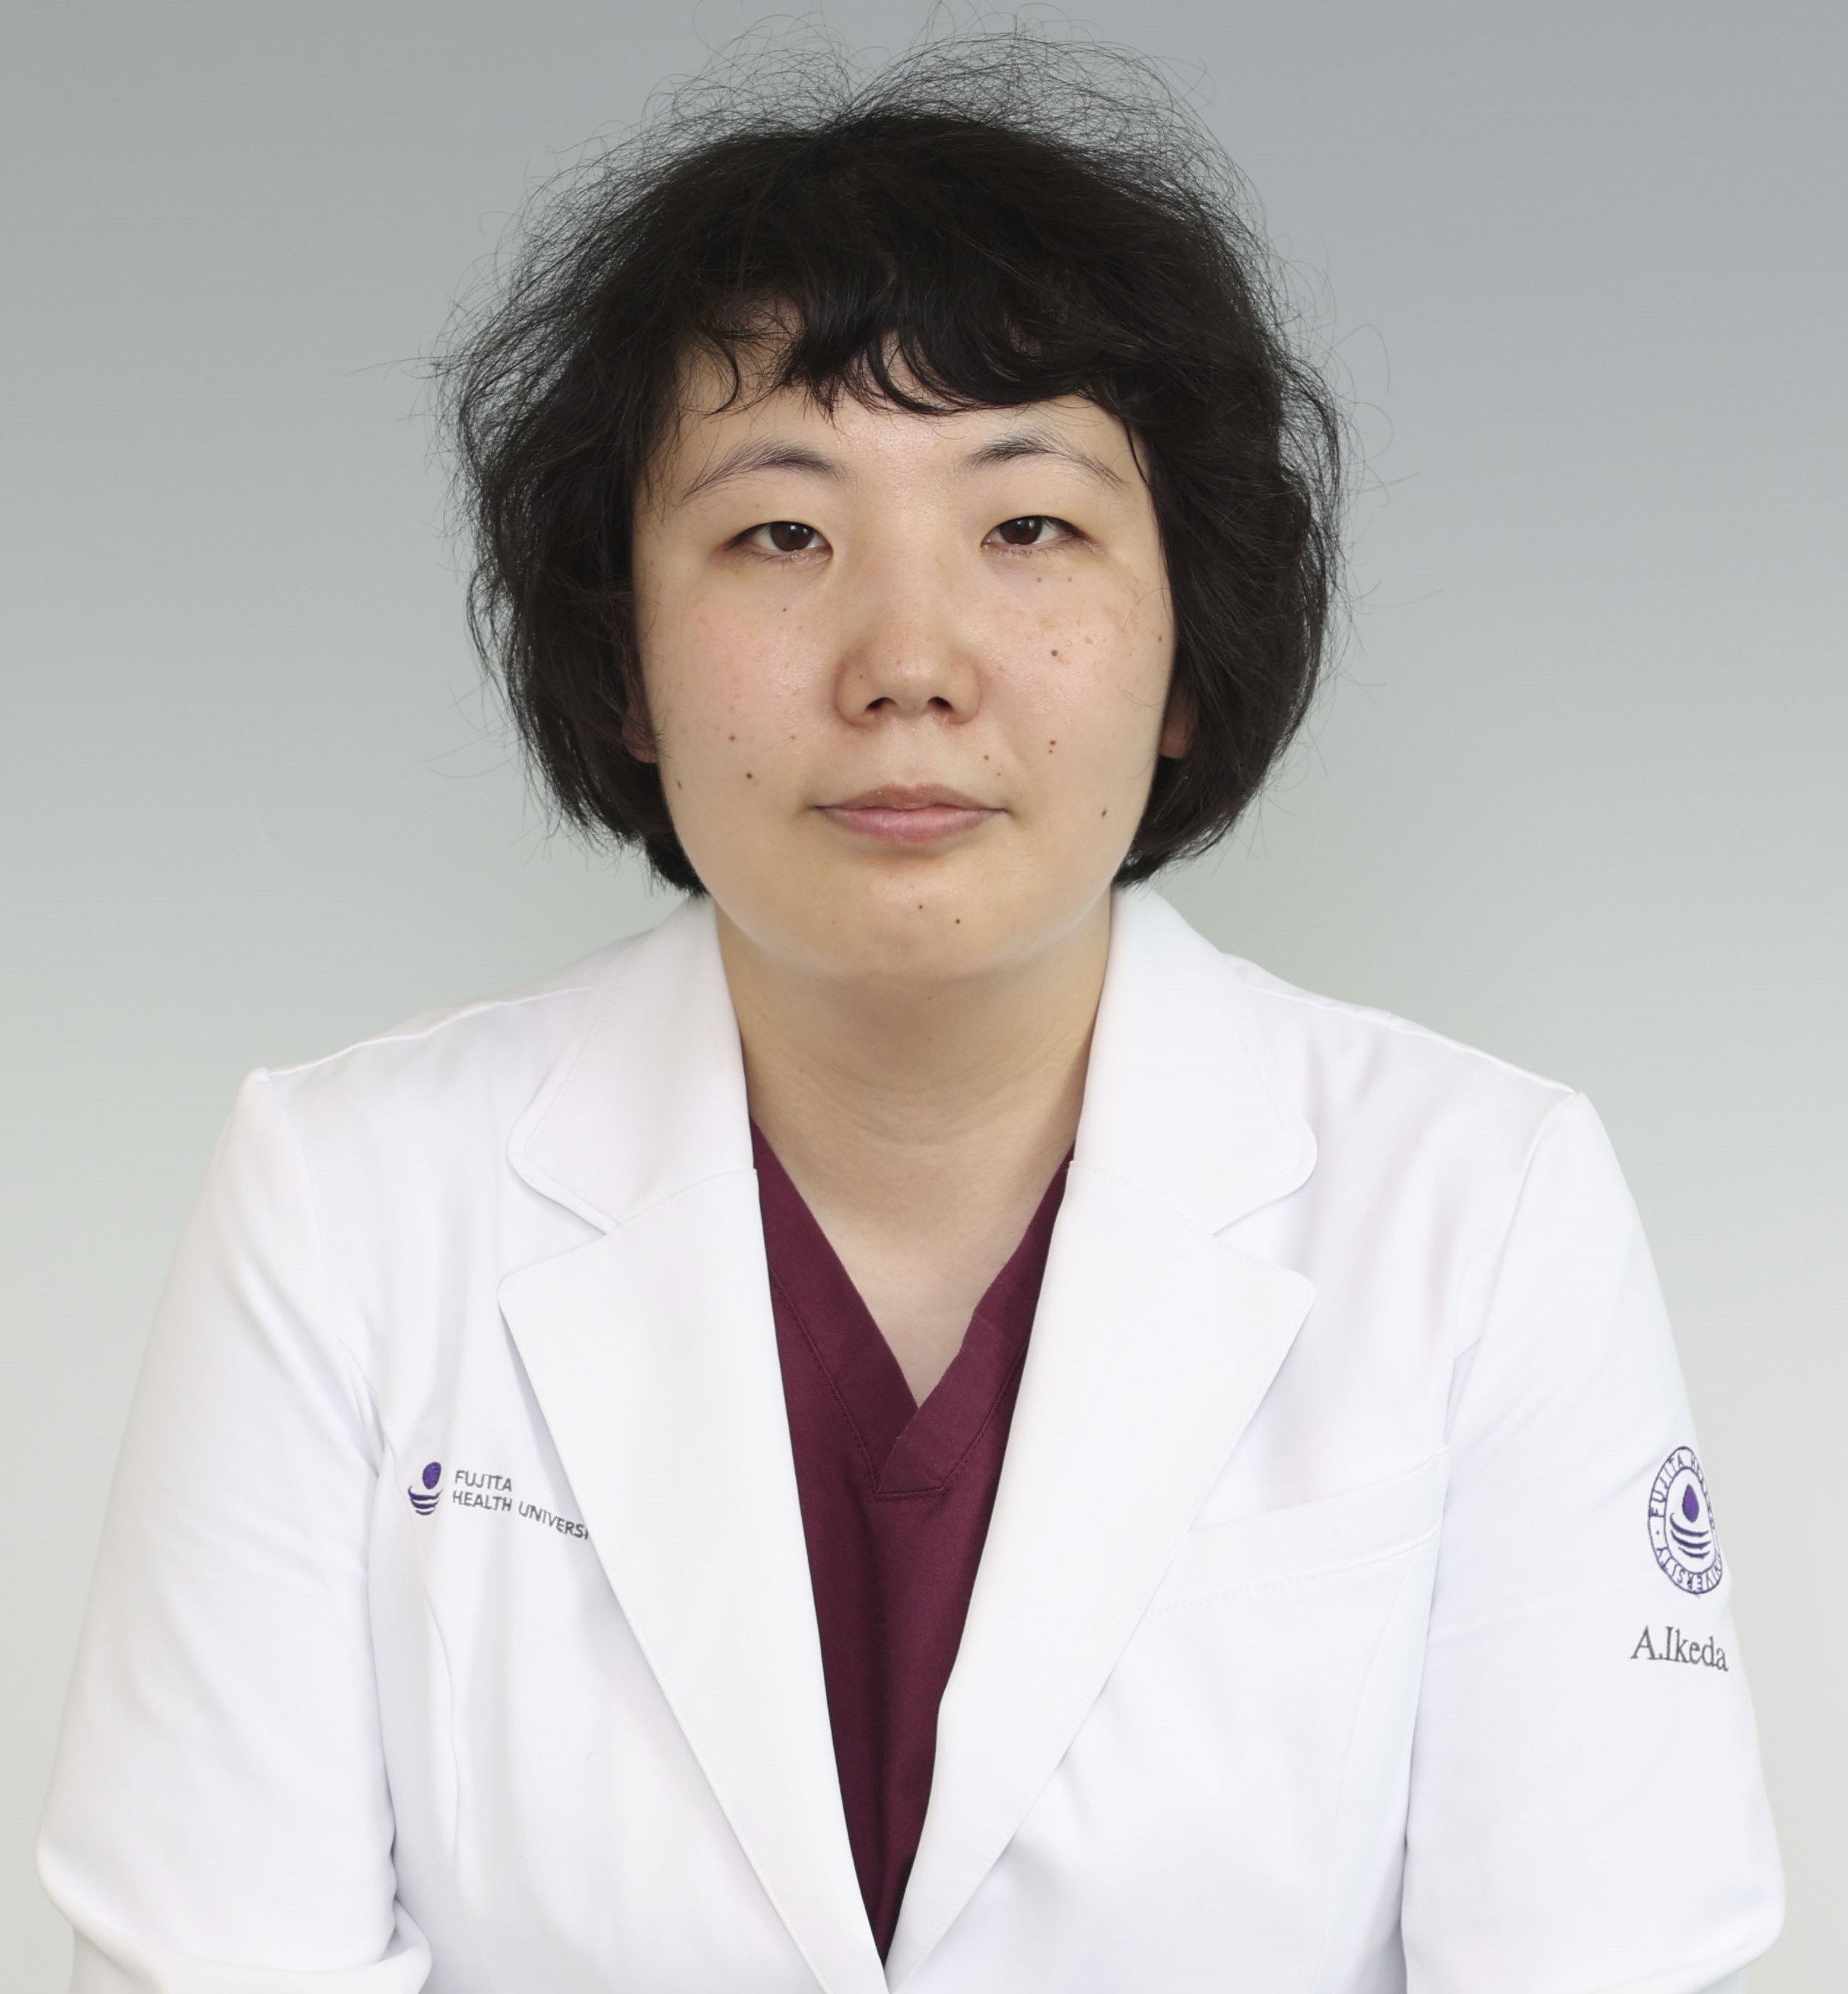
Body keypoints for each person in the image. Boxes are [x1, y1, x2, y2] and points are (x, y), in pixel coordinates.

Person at [37, 31, 1782, 1994]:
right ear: (622, 658)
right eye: (780, 534)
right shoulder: (347, 1205)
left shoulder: (1481, 1209)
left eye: (1027, 526)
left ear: (1188, 647)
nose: (908, 662)